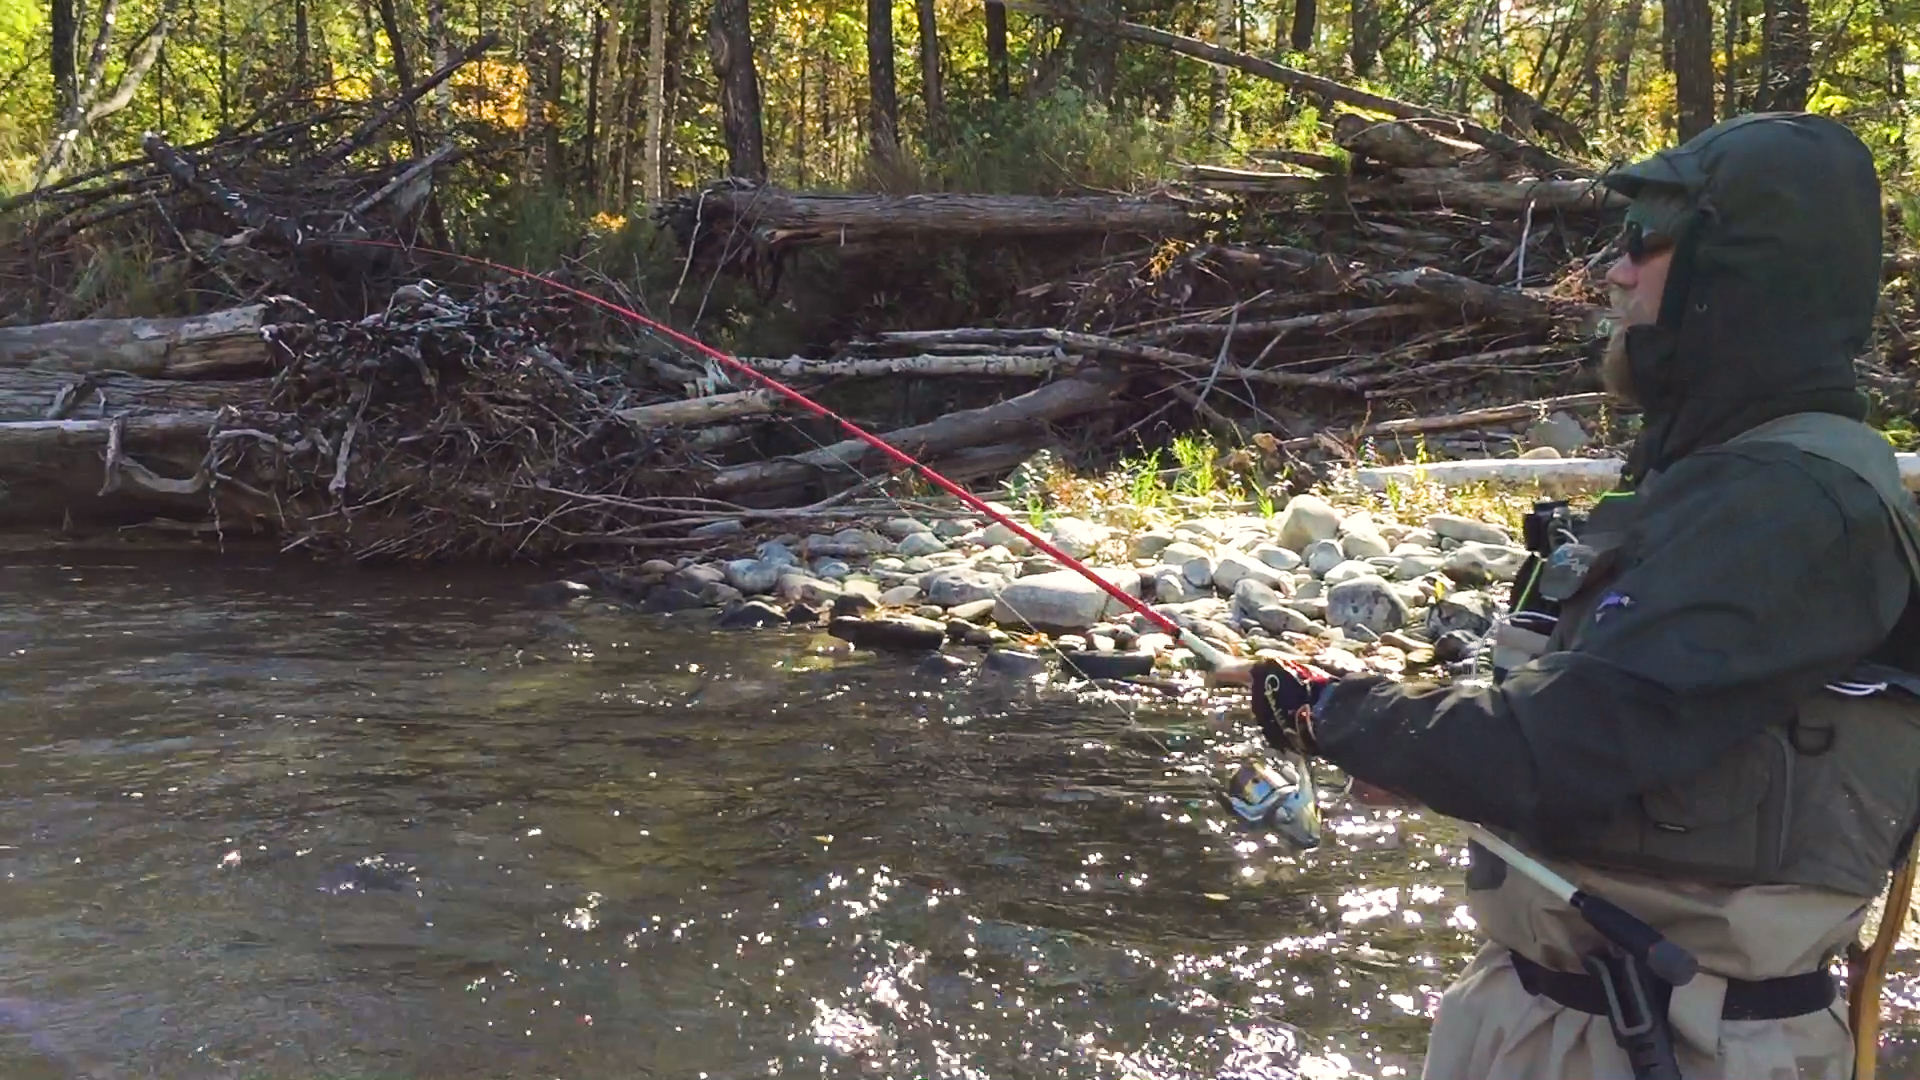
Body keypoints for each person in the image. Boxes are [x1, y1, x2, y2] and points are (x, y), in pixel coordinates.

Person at [1218, 112, 1920, 1079]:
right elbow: (1626, 719)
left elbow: (1568, 743)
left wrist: (1345, 714)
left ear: (1743, 270)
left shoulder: (1795, 506)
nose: (1616, 271)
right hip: (1566, 1019)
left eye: (1648, 240)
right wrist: (1415, 745)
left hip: (1671, 1045)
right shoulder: (1718, 476)